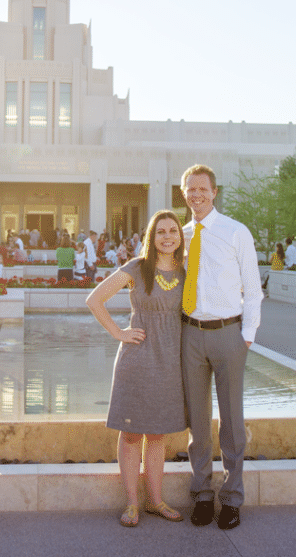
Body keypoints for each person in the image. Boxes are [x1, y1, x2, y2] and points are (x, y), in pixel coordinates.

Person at [86, 209, 188, 527]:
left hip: (171, 362)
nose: (168, 236)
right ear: (151, 237)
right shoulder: (136, 268)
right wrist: (119, 333)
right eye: (161, 231)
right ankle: (132, 503)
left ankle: (155, 501)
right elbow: (94, 299)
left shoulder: (187, 271)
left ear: (180, 237)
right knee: (131, 433)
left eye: (173, 230)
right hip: (139, 360)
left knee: (157, 435)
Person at [179, 164, 262, 531]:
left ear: (214, 192)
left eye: (202, 189)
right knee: (198, 421)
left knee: (231, 420)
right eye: (190, 189)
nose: (196, 195)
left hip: (229, 334)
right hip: (191, 336)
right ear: (184, 194)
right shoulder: (179, 236)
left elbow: (253, 288)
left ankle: (231, 497)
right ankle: (201, 493)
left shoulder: (235, 232)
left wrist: (248, 336)